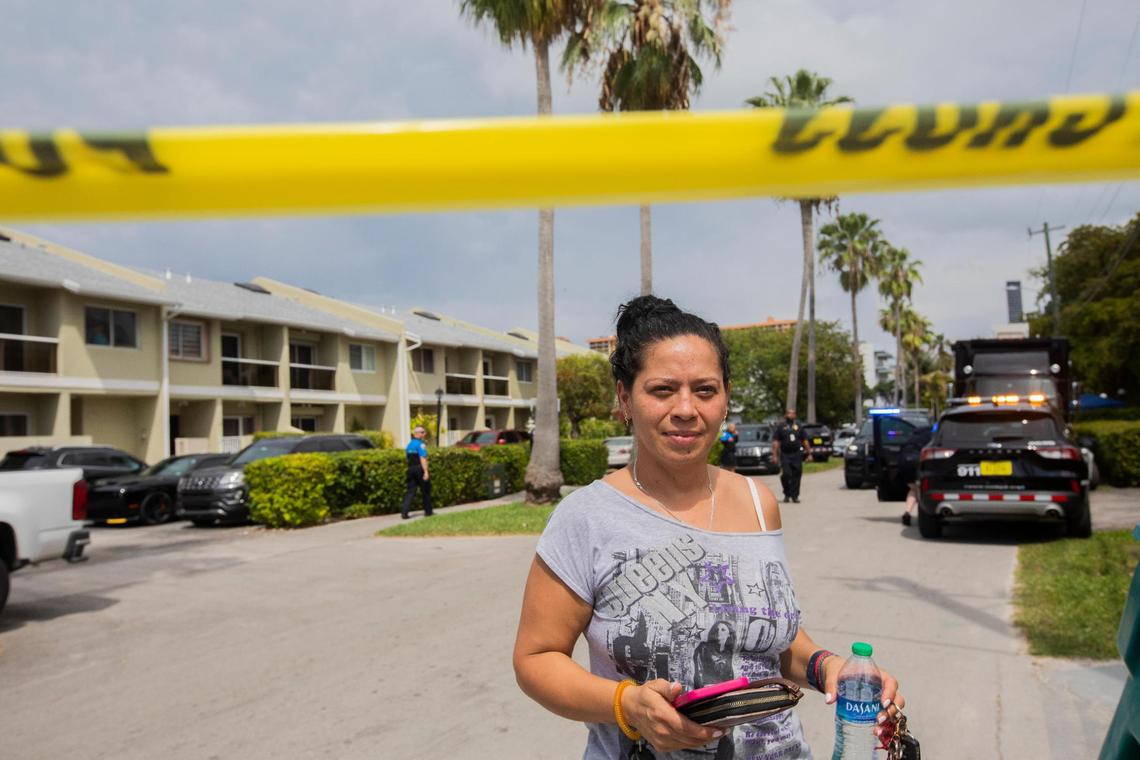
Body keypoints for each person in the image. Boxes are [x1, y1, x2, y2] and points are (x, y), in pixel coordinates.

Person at [513, 295, 904, 759]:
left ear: (725, 397)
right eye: (662, 390)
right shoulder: (587, 517)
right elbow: (536, 659)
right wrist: (626, 704)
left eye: (704, 390)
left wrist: (829, 667)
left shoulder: (759, 502)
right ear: (625, 397)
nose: (686, 408)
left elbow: (768, 642)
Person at [772, 408, 811, 503]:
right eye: (789, 413)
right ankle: (787, 493)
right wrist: (775, 455)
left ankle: (795, 496)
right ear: (786, 415)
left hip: (797, 454)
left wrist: (809, 453)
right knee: (786, 474)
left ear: (795, 415)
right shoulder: (781, 427)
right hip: (785, 454)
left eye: (793, 413)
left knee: (797, 474)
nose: (791, 415)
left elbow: (805, 440)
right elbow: (776, 442)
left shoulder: (799, 426)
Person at [899, 425, 934, 526]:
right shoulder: (931, 435)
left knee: (913, 488)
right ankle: (925, 515)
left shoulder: (912, 437)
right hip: (916, 461)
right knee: (921, 489)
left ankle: (907, 512)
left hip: (903, 461)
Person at [400, 425, 433, 519]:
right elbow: (423, 458)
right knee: (425, 490)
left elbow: (408, 458)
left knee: (410, 491)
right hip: (419, 469)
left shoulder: (409, 444)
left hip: (410, 469)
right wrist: (426, 471)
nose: (424, 434)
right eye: (422, 432)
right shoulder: (420, 444)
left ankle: (404, 512)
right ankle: (428, 511)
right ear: (417, 434)